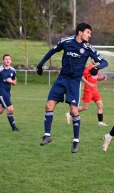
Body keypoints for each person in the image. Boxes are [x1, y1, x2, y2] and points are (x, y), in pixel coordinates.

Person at [37, 22, 108, 153]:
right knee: (48, 106)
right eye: (88, 32)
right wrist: (40, 64)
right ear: (80, 32)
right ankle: (47, 135)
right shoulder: (66, 41)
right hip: (62, 78)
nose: (90, 35)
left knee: (74, 111)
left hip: (74, 82)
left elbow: (104, 62)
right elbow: (51, 51)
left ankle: (76, 141)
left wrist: (97, 67)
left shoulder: (88, 48)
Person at [65, 58, 108, 126]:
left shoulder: (98, 68)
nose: (95, 60)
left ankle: (100, 122)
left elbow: (96, 78)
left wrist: (102, 78)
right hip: (88, 90)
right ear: (91, 59)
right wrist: (88, 83)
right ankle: (69, 113)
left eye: (96, 59)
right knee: (85, 107)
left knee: (100, 105)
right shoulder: (88, 68)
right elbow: (81, 76)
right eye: (93, 59)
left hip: (95, 90)